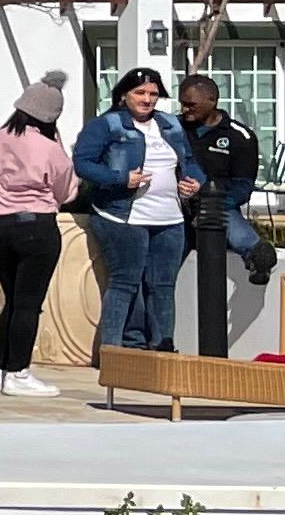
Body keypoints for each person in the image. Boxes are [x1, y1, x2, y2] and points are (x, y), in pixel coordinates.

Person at [71, 65, 195, 355]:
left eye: (154, 93)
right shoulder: (107, 125)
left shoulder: (170, 125)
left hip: (170, 217)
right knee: (125, 282)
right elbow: (83, 163)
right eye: (140, 92)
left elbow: (189, 160)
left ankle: (162, 349)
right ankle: (113, 351)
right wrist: (120, 179)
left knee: (163, 286)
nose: (148, 99)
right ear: (124, 95)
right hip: (123, 215)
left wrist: (194, 182)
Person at [0, 73, 76, 395]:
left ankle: (0, 369)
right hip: (36, 225)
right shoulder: (48, 147)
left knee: (12, 301)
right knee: (29, 304)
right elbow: (66, 190)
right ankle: (18, 371)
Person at [176, 73, 278, 311]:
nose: (185, 109)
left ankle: (257, 255)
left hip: (217, 206)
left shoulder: (239, 137)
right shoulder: (174, 128)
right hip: (175, 208)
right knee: (161, 272)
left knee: (221, 213)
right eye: (182, 103)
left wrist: (214, 203)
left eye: (191, 104)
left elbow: (243, 186)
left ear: (212, 101)